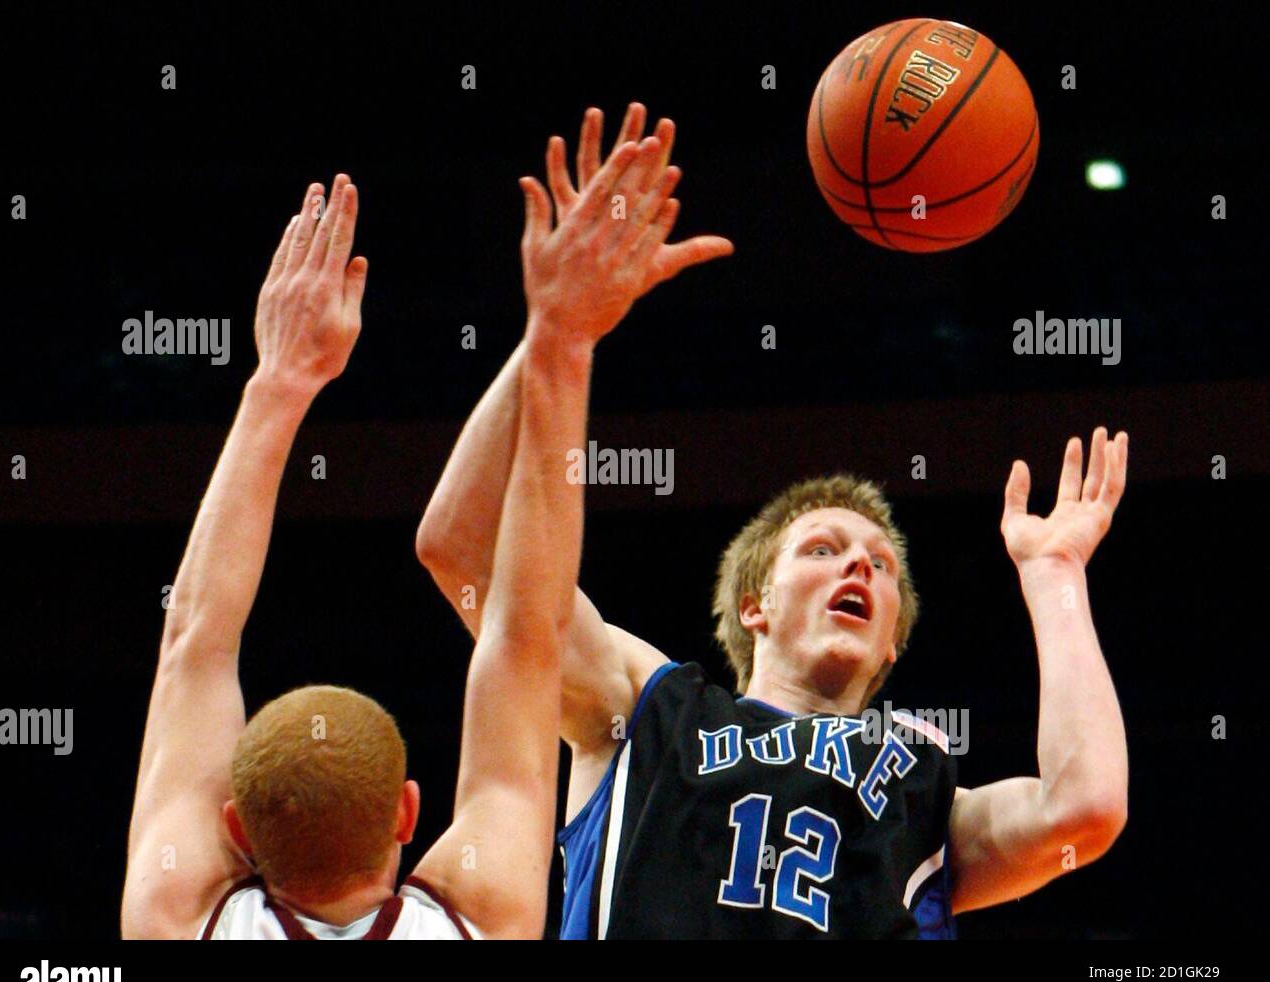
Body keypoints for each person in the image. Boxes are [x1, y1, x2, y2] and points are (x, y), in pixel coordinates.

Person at [416, 104, 1130, 938]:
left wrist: (1054, 579)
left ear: (893, 641)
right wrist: (554, 333)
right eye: (824, 550)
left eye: (881, 566)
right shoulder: (642, 709)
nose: (859, 568)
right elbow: (458, 546)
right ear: (755, 604)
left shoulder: (929, 797)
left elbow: (1085, 808)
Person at [121, 158, 639, 938]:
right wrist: (561, 333)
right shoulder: (478, 915)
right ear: (408, 811)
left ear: (237, 830)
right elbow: (526, 638)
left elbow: (194, 635)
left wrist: (279, 383)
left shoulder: (175, 919)